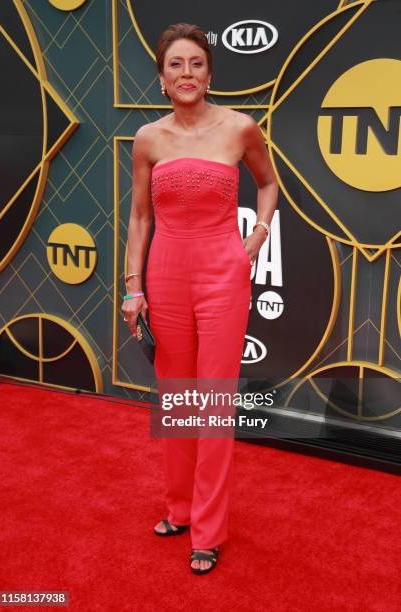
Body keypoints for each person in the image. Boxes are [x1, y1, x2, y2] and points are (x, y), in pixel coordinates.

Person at [121, 22, 278, 575]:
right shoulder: (148, 138)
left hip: (223, 276)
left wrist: (253, 241)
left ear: (210, 72)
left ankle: (208, 531)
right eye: (175, 65)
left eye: (196, 64)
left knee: (210, 403)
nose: (186, 74)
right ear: (161, 78)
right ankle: (180, 509)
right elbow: (140, 216)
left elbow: (268, 184)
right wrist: (132, 285)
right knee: (176, 400)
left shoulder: (241, 129)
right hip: (164, 276)